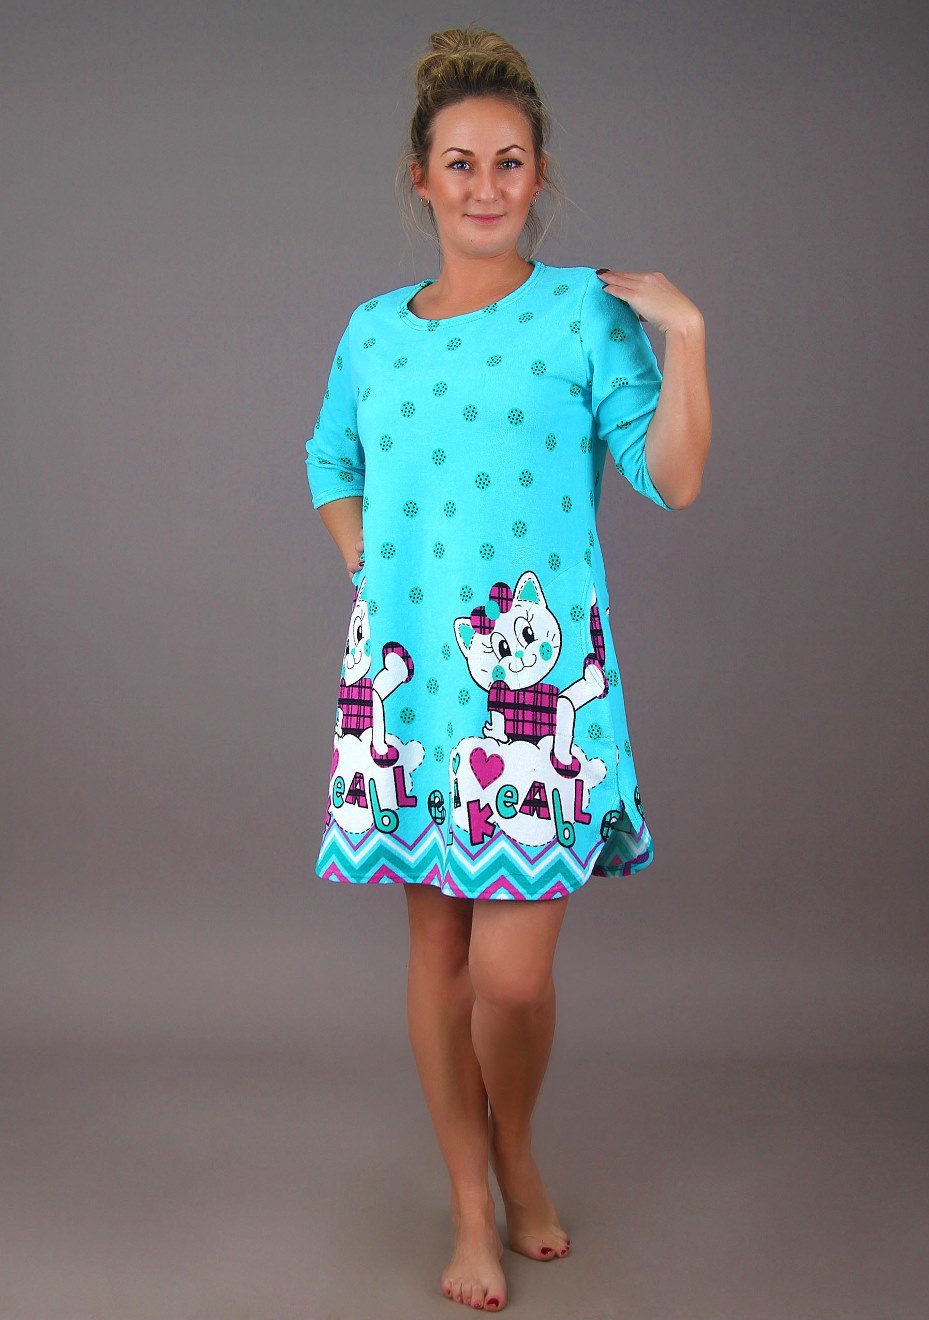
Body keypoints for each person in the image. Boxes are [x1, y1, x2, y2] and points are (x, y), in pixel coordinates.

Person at [303, 23, 711, 1313]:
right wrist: (374, 574)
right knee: (437, 952)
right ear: (419, 178)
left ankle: (517, 1148)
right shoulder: (372, 332)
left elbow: (673, 476)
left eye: (511, 162)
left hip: (533, 702)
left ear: (541, 174)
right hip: (414, 686)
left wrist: (688, 335)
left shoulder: (584, 316)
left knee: (512, 974)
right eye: (461, 163)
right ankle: (472, 1204)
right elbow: (329, 462)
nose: (486, 187)